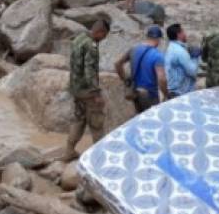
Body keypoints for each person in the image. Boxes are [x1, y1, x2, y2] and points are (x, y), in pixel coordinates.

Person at [64, 19, 110, 159]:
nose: (103, 39)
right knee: (96, 123)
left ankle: (69, 151)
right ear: (100, 32)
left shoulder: (79, 39)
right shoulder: (91, 46)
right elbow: (89, 70)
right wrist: (96, 93)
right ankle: (99, 156)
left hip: (75, 89)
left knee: (78, 119)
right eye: (104, 35)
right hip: (88, 92)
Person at [115, 25, 168, 112]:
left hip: (135, 93)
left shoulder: (134, 49)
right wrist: (166, 94)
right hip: (150, 95)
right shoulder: (158, 56)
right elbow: (161, 79)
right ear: (158, 39)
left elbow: (117, 64)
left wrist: (125, 80)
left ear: (147, 36)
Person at [164, 23, 200, 98]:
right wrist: (195, 58)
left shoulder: (171, 47)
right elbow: (192, 71)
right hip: (180, 93)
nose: (185, 34)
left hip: (174, 91)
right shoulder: (179, 51)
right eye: (183, 31)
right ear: (179, 34)